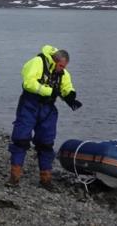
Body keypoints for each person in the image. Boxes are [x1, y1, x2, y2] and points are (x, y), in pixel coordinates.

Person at [7, 46, 82, 189]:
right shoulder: (38, 62)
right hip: (29, 105)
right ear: (55, 60)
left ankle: (46, 179)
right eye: (61, 66)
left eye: (64, 67)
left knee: (46, 143)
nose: (62, 69)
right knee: (20, 139)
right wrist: (49, 91)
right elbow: (28, 83)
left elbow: (66, 86)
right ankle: (14, 177)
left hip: (47, 109)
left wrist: (70, 96)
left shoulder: (62, 72)